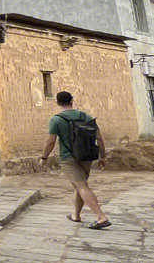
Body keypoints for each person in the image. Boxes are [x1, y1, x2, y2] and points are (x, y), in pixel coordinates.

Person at [40, 91, 110, 230]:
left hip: (69, 158)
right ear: (72, 100)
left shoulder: (56, 119)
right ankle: (76, 215)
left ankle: (101, 217)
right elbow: (99, 139)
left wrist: (44, 158)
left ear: (58, 103)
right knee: (80, 185)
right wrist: (102, 157)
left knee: (81, 186)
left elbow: (50, 142)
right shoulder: (86, 117)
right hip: (87, 156)